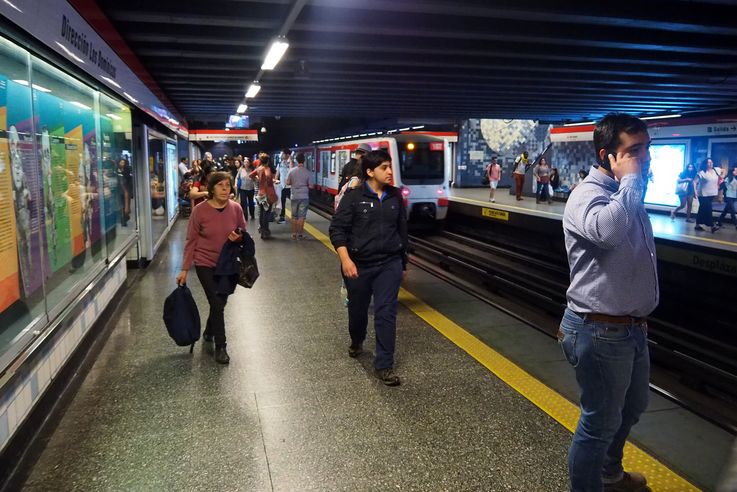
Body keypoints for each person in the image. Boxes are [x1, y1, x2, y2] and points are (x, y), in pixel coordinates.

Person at [559, 113, 657, 492]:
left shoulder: (625, 189)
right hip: (599, 329)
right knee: (599, 423)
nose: (643, 159)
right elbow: (611, 233)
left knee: (632, 408)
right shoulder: (588, 195)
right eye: (633, 152)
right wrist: (631, 180)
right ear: (607, 156)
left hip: (630, 327)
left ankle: (610, 475)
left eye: (646, 149)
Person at [329, 150, 408, 387]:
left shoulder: (395, 197)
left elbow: (402, 231)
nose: (390, 172)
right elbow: (337, 230)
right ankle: (357, 339)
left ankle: (384, 365)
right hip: (359, 265)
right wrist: (346, 260)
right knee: (358, 309)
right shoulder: (353, 197)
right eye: (385, 167)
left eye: (390, 166)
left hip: (389, 263)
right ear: (370, 171)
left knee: (386, 312)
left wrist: (403, 262)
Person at [176, 172, 246, 364]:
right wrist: (184, 269)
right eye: (220, 185)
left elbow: (243, 232)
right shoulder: (200, 211)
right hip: (204, 262)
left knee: (219, 303)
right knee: (216, 302)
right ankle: (221, 346)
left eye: (228, 186)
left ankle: (209, 331)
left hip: (227, 264)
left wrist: (238, 237)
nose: (225, 189)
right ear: (211, 188)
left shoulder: (236, 209)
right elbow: (191, 240)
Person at [249, 155, 277, 239]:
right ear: (267, 161)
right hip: (267, 194)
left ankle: (262, 229)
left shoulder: (258, 168)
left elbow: (250, 175)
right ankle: (265, 231)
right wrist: (271, 181)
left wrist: (257, 179)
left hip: (260, 194)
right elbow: (268, 177)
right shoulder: (266, 168)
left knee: (262, 212)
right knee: (266, 213)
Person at [286, 152, 312, 240]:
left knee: (294, 216)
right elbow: (311, 185)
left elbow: (287, 182)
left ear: (296, 161)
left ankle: (294, 234)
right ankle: (300, 235)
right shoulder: (307, 172)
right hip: (304, 196)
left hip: (294, 195)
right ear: (304, 161)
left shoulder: (291, 171)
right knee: (301, 217)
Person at [695, 157, 723, 233]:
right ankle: (712, 226)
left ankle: (697, 225)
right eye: (709, 162)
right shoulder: (702, 172)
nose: (711, 164)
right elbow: (694, 182)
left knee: (702, 209)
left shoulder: (716, 170)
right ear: (705, 164)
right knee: (708, 209)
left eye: (711, 162)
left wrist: (721, 178)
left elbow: (723, 171)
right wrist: (695, 192)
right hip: (703, 194)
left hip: (712, 193)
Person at [276, 149, 293, 224]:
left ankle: (295, 216)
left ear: (287, 155)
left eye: (283, 154)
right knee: (282, 202)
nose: (281, 155)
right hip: (282, 186)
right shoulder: (280, 163)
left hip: (290, 187)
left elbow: (292, 171)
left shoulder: (292, 163)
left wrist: (291, 161)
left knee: (293, 202)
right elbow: (277, 173)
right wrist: (275, 180)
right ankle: (282, 217)